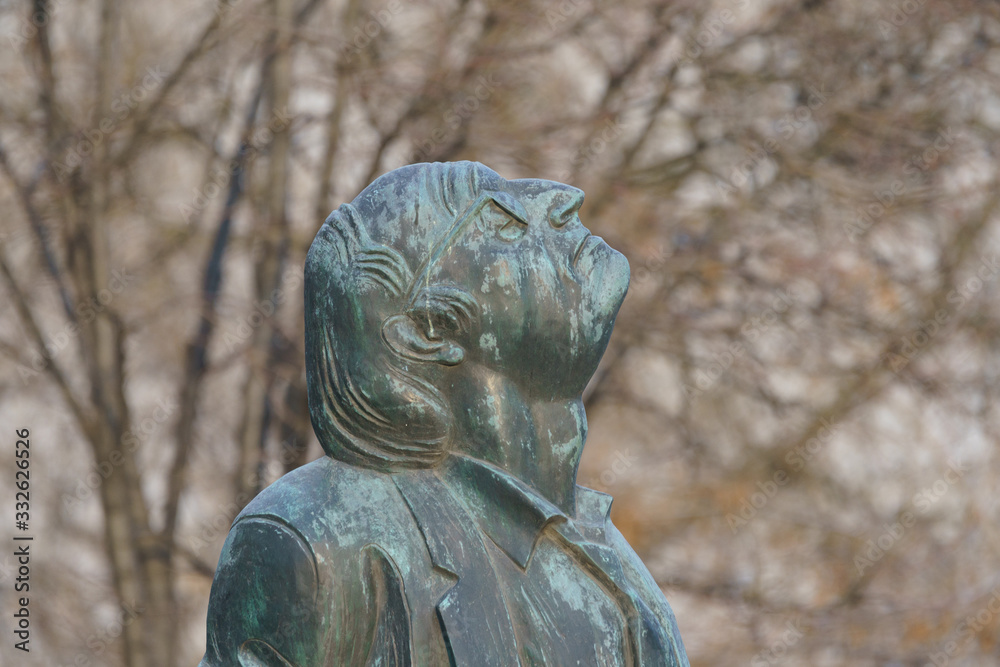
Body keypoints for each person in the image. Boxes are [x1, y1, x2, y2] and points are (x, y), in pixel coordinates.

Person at [200, 161, 689, 666]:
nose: (564, 198)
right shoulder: (312, 545)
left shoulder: (614, 568)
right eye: (500, 219)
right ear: (426, 333)